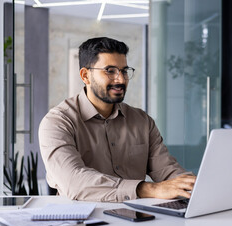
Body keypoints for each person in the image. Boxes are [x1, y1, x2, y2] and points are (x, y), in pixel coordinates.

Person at [39, 37, 196, 202]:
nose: (121, 79)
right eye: (110, 71)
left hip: (137, 219)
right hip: (82, 221)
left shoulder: (142, 121)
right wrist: (148, 188)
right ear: (85, 76)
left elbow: (167, 170)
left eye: (124, 71)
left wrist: (192, 185)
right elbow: (74, 181)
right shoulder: (57, 123)